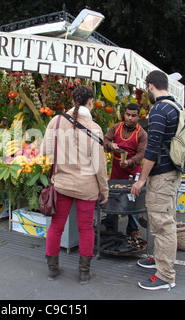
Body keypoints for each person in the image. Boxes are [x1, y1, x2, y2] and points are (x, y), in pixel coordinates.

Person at [40, 85, 109, 284]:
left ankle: (53, 268)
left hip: (62, 183)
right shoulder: (94, 128)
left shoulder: (57, 121)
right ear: (90, 102)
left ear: (72, 101)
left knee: (56, 225)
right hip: (87, 187)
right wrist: (104, 189)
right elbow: (100, 165)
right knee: (86, 228)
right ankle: (84, 272)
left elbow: (45, 151)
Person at [131, 70, 182, 291]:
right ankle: (160, 261)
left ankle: (165, 275)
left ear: (150, 86)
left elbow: (152, 149)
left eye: (145, 87)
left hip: (162, 175)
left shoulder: (159, 110)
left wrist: (141, 179)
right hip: (172, 172)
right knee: (165, 219)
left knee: (162, 225)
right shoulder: (176, 106)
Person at [103, 103, 147, 237]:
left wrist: (129, 162)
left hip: (133, 171)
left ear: (138, 117)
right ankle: (110, 226)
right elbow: (105, 140)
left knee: (133, 198)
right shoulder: (116, 128)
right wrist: (110, 144)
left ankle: (133, 229)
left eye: (133, 116)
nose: (130, 118)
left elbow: (141, 154)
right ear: (124, 114)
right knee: (113, 197)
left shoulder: (142, 134)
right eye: (128, 114)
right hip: (117, 170)